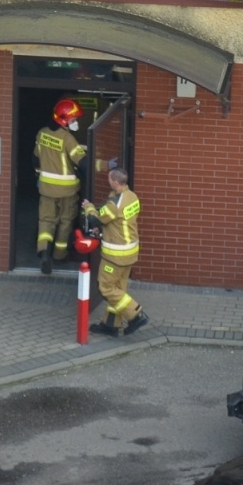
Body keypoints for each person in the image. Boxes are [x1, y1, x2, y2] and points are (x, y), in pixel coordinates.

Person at [82, 167, 145, 336]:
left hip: (115, 256)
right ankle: (110, 325)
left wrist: (88, 207)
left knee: (106, 288)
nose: (108, 181)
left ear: (115, 182)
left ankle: (135, 314)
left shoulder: (114, 205)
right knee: (118, 289)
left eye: (109, 179)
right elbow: (118, 222)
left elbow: (95, 218)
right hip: (130, 253)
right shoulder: (132, 197)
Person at [33, 99, 88, 274]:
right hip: (68, 190)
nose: (75, 123)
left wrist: (39, 175)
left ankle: (44, 253)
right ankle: (59, 255)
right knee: (65, 222)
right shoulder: (67, 138)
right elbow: (83, 162)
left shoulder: (42, 133)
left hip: (46, 188)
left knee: (46, 221)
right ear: (63, 120)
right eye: (73, 120)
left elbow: (35, 158)